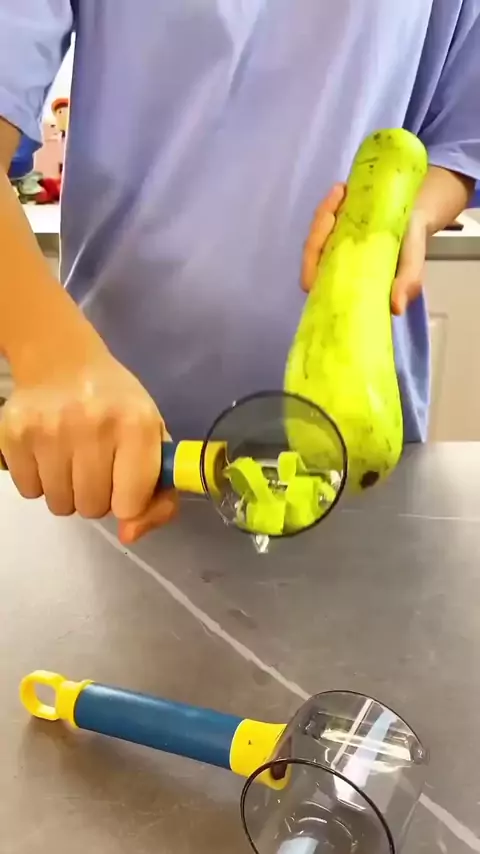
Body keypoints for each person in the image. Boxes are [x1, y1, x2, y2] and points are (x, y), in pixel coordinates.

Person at [0, 2, 479, 544]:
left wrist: (404, 216)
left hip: (362, 450)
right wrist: (51, 357)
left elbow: (461, 143)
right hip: (114, 443)